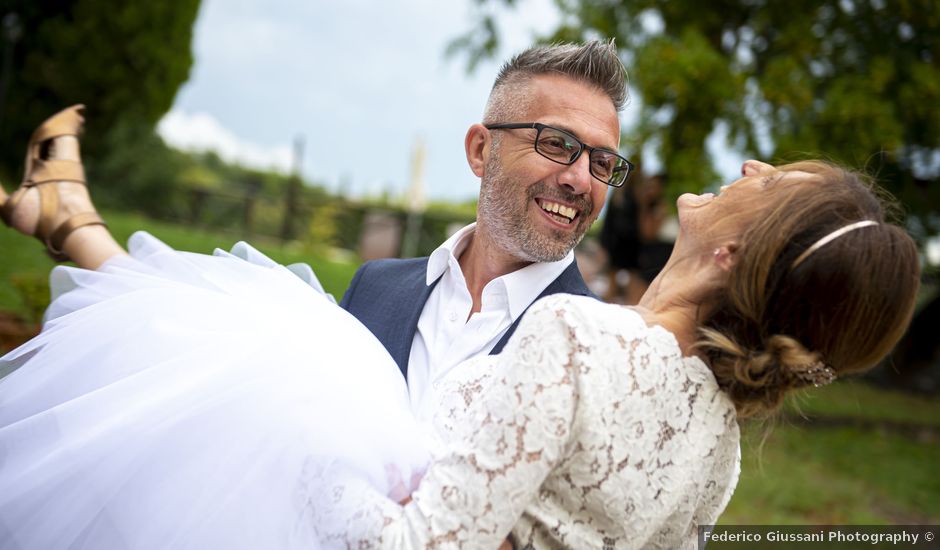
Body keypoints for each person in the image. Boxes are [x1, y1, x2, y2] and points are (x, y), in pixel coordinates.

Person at [0, 107, 920, 547]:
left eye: (771, 181)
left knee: (271, 372)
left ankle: (71, 222)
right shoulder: (719, 445)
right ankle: (72, 224)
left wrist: (312, 453)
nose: (751, 162)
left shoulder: (576, 338)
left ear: (736, 252)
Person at [339, 41, 632, 419]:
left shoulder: (601, 352)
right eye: (558, 144)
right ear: (481, 150)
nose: (580, 180)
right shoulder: (373, 288)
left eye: (603, 163)